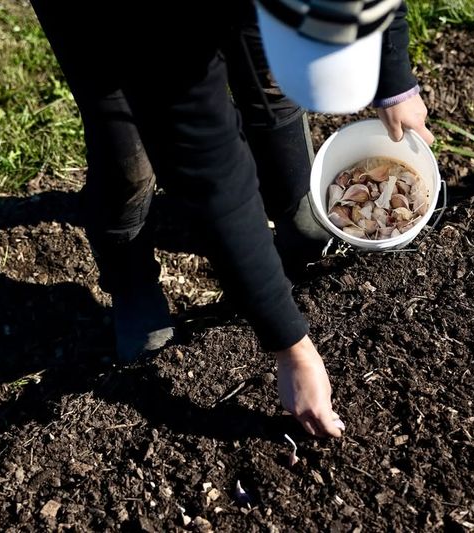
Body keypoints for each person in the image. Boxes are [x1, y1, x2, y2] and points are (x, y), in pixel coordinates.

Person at [28, 0, 433, 439]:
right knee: (128, 148)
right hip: (115, 19)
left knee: (269, 81)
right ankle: (132, 283)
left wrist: (395, 83)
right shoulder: (158, 32)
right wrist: (292, 349)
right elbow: (212, 176)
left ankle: (295, 209)